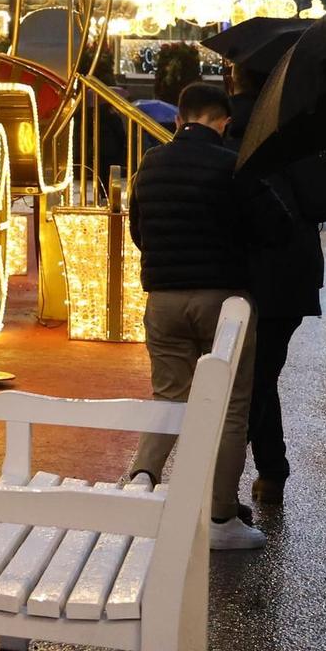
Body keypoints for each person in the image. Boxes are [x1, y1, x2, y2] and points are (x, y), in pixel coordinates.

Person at [127, 81, 288, 550]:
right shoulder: (234, 165)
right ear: (225, 122)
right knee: (229, 408)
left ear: (179, 120)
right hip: (224, 302)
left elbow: (140, 231)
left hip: (163, 300)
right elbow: (275, 228)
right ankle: (219, 517)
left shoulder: (150, 165)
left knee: (170, 398)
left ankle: (143, 479)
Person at [226, 65, 326, 507]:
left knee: (250, 381)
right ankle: (268, 472)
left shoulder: (223, 130)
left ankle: (250, 476)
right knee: (261, 378)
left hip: (230, 276)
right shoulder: (290, 134)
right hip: (287, 280)